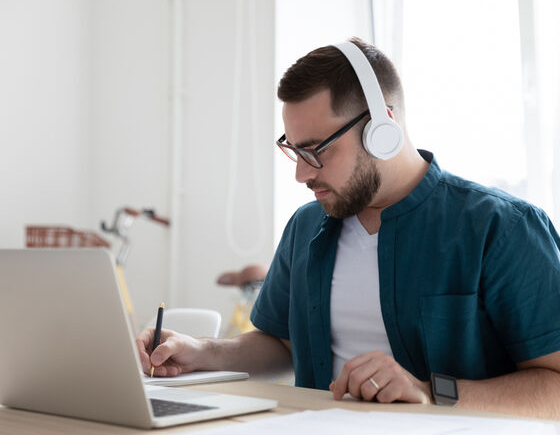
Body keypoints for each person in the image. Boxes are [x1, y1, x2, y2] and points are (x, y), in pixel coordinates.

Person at [137, 37, 560, 419]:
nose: (301, 175)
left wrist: (430, 392)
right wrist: (200, 351)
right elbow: (281, 344)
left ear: (382, 130)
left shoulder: (502, 228)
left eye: (316, 151)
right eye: (293, 150)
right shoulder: (307, 226)